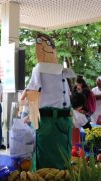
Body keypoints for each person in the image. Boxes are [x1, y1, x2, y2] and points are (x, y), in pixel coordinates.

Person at [26, 33, 74, 170]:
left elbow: (67, 96)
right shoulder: (39, 69)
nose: (43, 46)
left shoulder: (61, 71)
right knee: (46, 159)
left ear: (53, 49)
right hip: (47, 120)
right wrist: (32, 117)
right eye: (39, 43)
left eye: (47, 43)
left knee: (63, 156)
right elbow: (32, 93)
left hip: (64, 121)